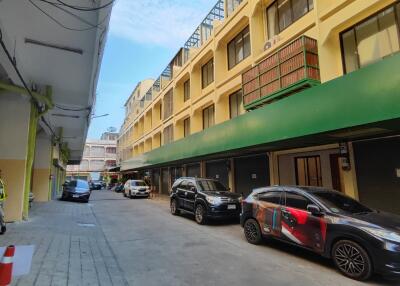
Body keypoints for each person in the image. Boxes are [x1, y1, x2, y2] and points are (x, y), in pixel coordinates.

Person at [0, 170, 7, 234]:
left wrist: (4, 198)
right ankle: (3, 226)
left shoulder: (1, 181)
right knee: (1, 214)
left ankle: (3, 227)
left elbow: (3, 190)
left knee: (1, 214)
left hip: (1, 200)